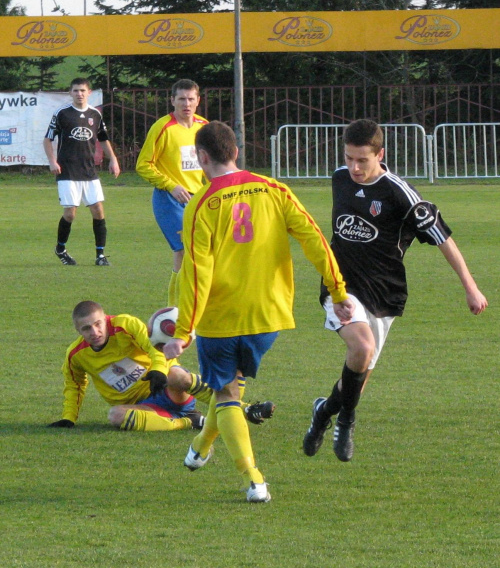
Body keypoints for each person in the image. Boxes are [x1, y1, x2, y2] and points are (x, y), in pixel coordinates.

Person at [164, 121, 354, 503]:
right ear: (235, 150)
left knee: (228, 392)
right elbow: (314, 237)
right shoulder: (274, 189)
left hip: (221, 317)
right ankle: (200, 447)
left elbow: (197, 274)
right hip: (269, 315)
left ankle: (254, 478)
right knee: (230, 385)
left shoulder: (200, 204)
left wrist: (183, 330)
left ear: (202, 157)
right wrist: (337, 289)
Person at [302, 119, 488, 463]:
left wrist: (471, 288)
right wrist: (335, 285)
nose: (354, 168)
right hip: (342, 286)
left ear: (381, 155)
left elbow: (443, 239)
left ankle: (324, 412)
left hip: (384, 291)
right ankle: (346, 420)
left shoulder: (399, 192)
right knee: (361, 347)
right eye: (349, 158)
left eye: (362, 160)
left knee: (358, 375)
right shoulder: (339, 178)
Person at [48, 300, 275, 431]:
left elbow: (153, 348)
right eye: (86, 328)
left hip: (167, 389)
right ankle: (191, 421)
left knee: (174, 374)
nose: (95, 332)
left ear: (105, 319)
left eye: (98, 324)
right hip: (142, 408)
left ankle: (245, 408)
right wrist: (69, 417)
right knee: (116, 416)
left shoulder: (125, 325)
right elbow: (74, 385)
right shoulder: (76, 355)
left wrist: (157, 370)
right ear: (78, 331)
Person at [135, 79, 208, 306]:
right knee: (184, 250)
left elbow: (212, 163)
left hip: (198, 199)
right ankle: (174, 309)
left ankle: (192, 304)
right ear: (172, 100)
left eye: (190, 99)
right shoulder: (163, 127)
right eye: (181, 99)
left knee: (202, 252)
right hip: (170, 200)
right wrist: (171, 185)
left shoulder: (204, 127)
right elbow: (143, 164)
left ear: (198, 100)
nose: (186, 103)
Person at [43, 77, 120, 267]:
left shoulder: (95, 114)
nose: (79, 94)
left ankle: (100, 255)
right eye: (76, 90)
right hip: (67, 170)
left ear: (89, 93)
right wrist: (52, 161)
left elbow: (103, 139)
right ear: (70, 93)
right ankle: (60, 248)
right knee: (70, 214)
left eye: (82, 91)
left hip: (89, 171)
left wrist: (114, 160)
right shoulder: (62, 113)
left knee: (98, 210)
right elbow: (47, 139)